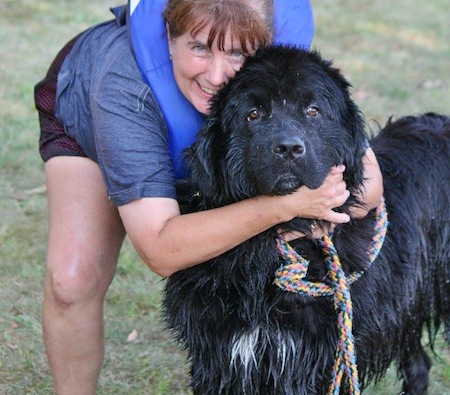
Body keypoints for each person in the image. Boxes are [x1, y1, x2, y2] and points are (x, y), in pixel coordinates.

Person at [34, 0, 383, 393]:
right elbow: (160, 249)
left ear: (263, 43)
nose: (217, 75)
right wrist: (285, 207)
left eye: (237, 52)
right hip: (91, 112)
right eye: (200, 47)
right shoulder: (122, 87)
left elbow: (369, 185)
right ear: (169, 38)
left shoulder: (278, 58)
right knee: (72, 280)